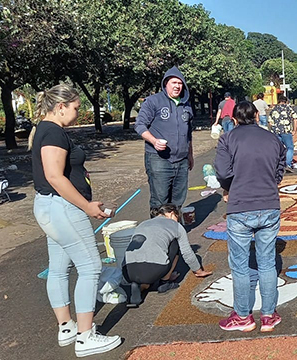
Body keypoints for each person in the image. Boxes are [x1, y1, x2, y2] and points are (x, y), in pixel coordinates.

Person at [30, 84, 121, 357]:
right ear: (60, 106)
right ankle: (85, 336)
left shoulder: (45, 130)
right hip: (62, 208)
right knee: (90, 266)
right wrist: (87, 206)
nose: (78, 113)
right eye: (76, 108)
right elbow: (55, 176)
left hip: (50, 207)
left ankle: (67, 327)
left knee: (58, 267)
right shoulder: (54, 132)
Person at [214, 101, 287, 332]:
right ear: (257, 116)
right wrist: (271, 182)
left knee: (240, 265)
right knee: (267, 263)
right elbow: (281, 166)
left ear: (234, 119)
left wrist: (229, 187)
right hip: (268, 203)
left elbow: (223, 172)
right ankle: (268, 315)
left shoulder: (228, 139)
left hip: (240, 205)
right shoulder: (273, 139)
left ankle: (243, 316)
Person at [123, 203, 213, 307]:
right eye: (177, 217)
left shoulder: (142, 224)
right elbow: (187, 253)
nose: (177, 221)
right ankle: (164, 283)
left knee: (143, 247)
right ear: (171, 213)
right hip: (155, 268)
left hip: (129, 270)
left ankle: (139, 284)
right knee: (175, 243)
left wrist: (126, 274)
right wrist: (199, 271)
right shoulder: (176, 226)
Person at [135, 66, 195, 214]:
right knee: (160, 201)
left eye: (180, 83)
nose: (177, 86)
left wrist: (190, 154)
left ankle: (174, 231)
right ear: (166, 83)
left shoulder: (186, 105)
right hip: (159, 159)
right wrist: (154, 141)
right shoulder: (153, 101)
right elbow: (139, 125)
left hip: (181, 160)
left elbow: (189, 132)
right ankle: (159, 233)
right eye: (174, 83)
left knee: (178, 200)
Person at [270, 94, 297, 171]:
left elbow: (270, 122)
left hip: (275, 131)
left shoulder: (274, 109)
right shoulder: (288, 108)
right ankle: (288, 164)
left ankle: (277, 165)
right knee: (289, 147)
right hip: (286, 131)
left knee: (278, 149)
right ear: (285, 102)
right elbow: (295, 119)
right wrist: (294, 130)